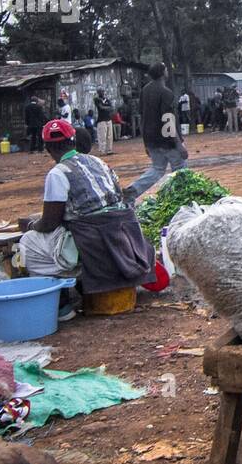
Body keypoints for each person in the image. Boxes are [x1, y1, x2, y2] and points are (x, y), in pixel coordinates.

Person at [19, 119, 154, 321]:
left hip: (95, 243)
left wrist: (30, 225)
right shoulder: (99, 162)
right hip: (125, 237)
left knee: (29, 243)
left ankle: (62, 305)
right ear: (73, 141)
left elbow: (49, 223)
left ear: (47, 147)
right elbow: (119, 196)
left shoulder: (58, 173)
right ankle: (80, 289)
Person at [125, 62, 189, 202]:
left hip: (151, 138)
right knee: (180, 169)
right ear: (162, 73)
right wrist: (178, 144)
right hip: (167, 140)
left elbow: (143, 117)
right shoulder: (166, 93)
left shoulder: (145, 91)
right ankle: (182, 199)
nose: (167, 70)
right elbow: (168, 120)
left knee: (157, 169)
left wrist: (146, 143)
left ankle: (134, 189)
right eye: (166, 69)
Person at [93, 87, 115, 155]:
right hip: (101, 120)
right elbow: (101, 108)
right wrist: (107, 107)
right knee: (102, 136)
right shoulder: (96, 99)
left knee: (109, 136)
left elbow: (112, 108)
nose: (102, 93)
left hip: (108, 119)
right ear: (98, 93)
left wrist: (106, 107)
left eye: (102, 91)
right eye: (100, 92)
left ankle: (109, 150)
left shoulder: (107, 99)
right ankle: (102, 151)